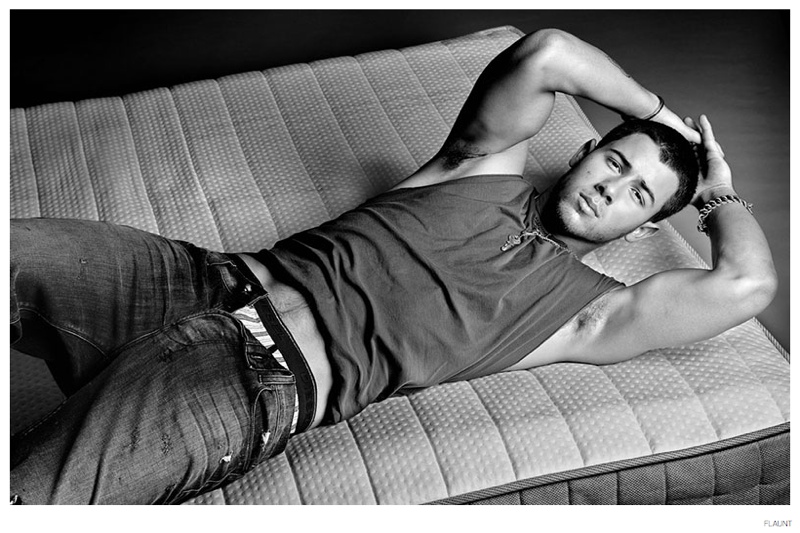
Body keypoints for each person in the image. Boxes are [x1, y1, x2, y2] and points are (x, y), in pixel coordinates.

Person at [10, 28, 777, 504]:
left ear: (647, 223)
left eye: (639, 194)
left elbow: (747, 284)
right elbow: (548, 53)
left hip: (247, 383)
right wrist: (661, 117)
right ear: (583, 150)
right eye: (614, 161)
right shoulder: (478, 166)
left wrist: (717, 191)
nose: (612, 187)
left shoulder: (585, 312)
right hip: (195, 278)